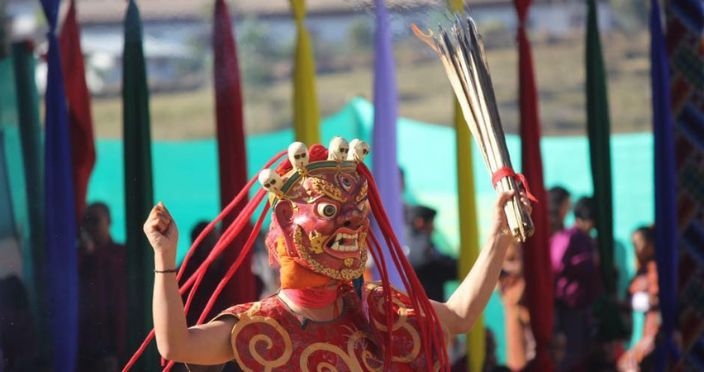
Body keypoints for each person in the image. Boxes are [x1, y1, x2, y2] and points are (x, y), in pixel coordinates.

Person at [138, 138, 532, 370]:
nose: (352, 224)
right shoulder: (261, 326)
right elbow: (177, 345)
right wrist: (164, 258)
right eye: (330, 211)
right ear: (286, 225)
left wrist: (498, 234)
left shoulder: (376, 308)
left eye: (357, 212)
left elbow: (460, 317)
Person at [550, 196, 603, 371]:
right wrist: (587, 261)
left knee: (582, 352)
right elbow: (557, 265)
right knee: (569, 354)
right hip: (567, 306)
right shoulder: (568, 237)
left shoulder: (586, 239)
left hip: (582, 306)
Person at [78, 202, 128, 372]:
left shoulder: (122, 254)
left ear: (109, 221)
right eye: (86, 221)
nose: (90, 227)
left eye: (95, 221)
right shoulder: (79, 257)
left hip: (116, 340)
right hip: (85, 342)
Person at [618, 226, 659, 372]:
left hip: (654, 334)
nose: (634, 248)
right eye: (633, 244)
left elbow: (657, 299)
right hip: (641, 334)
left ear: (650, 244)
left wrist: (640, 301)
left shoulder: (655, 269)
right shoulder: (641, 269)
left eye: (638, 243)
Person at [405, 204, 457, 301]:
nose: (434, 229)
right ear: (420, 222)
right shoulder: (419, 245)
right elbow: (436, 263)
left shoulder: (406, 240)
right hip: (425, 308)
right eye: (431, 223)